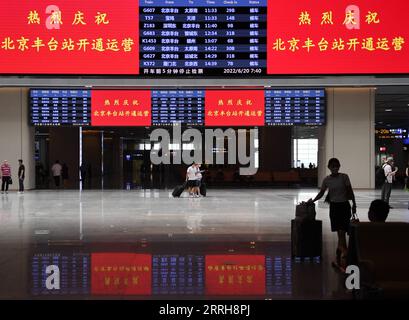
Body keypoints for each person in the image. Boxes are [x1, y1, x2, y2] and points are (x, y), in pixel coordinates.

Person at [309, 158, 357, 268]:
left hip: (344, 206)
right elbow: (321, 193)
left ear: (339, 166)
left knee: (342, 231)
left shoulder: (344, 177)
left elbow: (350, 191)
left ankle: (343, 252)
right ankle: (342, 251)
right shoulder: (327, 180)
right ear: (329, 167)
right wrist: (313, 200)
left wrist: (354, 205)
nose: (335, 167)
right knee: (340, 231)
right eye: (333, 166)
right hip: (334, 207)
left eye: (337, 165)